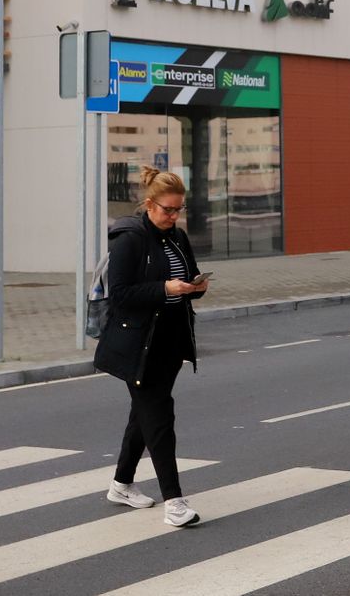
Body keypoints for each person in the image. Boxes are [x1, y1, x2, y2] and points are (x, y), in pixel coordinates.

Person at [93, 166, 208, 528]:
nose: (174, 216)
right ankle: (175, 502)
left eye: (178, 209)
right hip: (137, 343)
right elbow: (120, 295)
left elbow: (187, 278)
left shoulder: (178, 237)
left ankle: (121, 485)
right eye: (167, 210)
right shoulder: (129, 240)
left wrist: (196, 287)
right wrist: (164, 289)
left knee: (144, 413)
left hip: (171, 339)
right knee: (159, 416)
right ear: (149, 204)